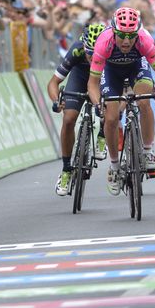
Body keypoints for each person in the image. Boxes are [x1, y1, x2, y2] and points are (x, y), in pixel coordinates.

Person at [87, 6, 155, 196]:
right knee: (110, 117)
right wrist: (97, 104)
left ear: (137, 33)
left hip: (137, 66)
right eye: (122, 36)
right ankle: (115, 166)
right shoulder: (104, 42)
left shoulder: (144, 39)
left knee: (144, 101)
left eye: (131, 36)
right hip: (111, 72)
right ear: (114, 31)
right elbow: (92, 83)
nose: (126, 41)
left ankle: (147, 150)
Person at [47, 23, 106, 196]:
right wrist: (56, 100)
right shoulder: (77, 50)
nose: (92, 57)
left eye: (96, 54)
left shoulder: (111, 51)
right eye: (89, 53)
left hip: (103, 75)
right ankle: (66, 169)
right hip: (80, 76)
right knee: (68, 118)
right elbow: (53, 83)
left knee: (107, 105)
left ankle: (103, 133)